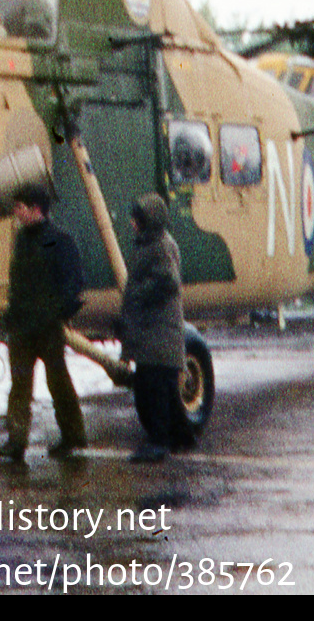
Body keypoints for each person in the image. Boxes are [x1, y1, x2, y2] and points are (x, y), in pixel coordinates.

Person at [0, 184, 86, 461]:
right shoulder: (22, 239)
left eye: (20, 207)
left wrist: (58, 313)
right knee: (20, 385)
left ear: (36, 209)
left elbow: (74, 284)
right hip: (21, 326)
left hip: (47, 328)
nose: (16, 212)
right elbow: (19, 283)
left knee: (58, 382)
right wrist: (11, 316)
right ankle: (16, 441)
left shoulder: (58, 240)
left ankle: (74, 435)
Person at [120, 194, 196, 462]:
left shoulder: (160, 246)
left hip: (159, 333)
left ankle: (159, 441)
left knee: (152, 393)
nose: (132, 223)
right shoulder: (150, 243)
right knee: (161, 391)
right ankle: (182, 436)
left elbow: (168, 282)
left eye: (137, 219)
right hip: (154, 333)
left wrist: (138, 294)